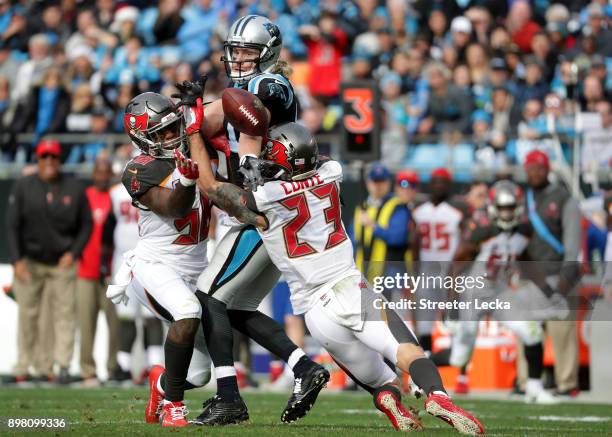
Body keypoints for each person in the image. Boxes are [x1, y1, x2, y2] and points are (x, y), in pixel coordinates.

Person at [187, 120, 485, 434]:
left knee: (382, 382)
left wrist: (195, 133)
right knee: (407, 353)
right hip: (349, 288)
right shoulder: (331, 173)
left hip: (315, 313)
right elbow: (314, 164)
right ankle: (438, 396)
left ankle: (390, 401)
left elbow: (211, 186)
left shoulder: (267, 196)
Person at [173, 16, 328, 426]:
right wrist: (188, 117)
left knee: (208, 297)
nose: (239, 59)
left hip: (265, 207)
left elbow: (238, 110)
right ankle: (303, 369)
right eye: (235, 51)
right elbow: (209, 117)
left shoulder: (266, 86)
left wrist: (197, 118)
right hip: (261, 207)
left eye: (248, 52)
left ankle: (228, 398)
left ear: (269, 54)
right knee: (235, 306)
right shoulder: (244, 89)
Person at [105, 92, 212, 427]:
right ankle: (174, 408)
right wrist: (187, 179)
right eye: (162, 132)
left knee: (200, 373)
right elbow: (174, 207)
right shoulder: (139, 169)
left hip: (193, 269)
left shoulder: (193, 151)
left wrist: (198, 110)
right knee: (188, 310)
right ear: (142, 137)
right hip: (154, 267)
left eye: (174, 127)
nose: (171, 135)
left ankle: (163, 386)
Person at [430, 180, 559, 404]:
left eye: (510, 208)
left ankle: (534, 389)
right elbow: (455, 267)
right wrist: (451, 303)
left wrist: (547, 290)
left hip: (500, 292)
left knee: (533, 333)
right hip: (473, 291)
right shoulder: (481, 231)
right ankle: (420, 365)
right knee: (458, 356)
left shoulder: (525, 230)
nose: (507, 213)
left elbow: (525, 259)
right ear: (492, 207)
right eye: (502, 208)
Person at [6, 139, 92, 384]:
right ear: (37, 159)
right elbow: (12, 225)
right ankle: (24, 365)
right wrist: (17, 260)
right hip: (30, 261)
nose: (49, 162)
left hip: (61, 263)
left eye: (53, 157)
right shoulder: (23, 186)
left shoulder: (73, 188)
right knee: (28, 314)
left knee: (64, 315)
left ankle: (61, 365)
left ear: (59, 160)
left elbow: (86, 225)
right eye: (44, 157)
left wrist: (74, 253)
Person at [523, 149, 582, 397]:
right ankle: (527, 382)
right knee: (527, 332)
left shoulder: (563, 197)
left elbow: (573, 240)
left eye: (539, 168)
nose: (534, 173)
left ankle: (567, 382)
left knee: (562, 332)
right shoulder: (521, 197)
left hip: (557, 271)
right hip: (529, 275)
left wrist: (566, 277)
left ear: (547, 169)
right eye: (530, 168)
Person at [102, 180, 164, 384]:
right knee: (126, 316)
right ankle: (124, 366)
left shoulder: (159, 187)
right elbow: (108, 227)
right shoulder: (116, 192)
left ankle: (153, 367)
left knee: (152, 315)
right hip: (124, 260)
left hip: (151, 258)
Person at [411, 168, 468, 351]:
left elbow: (467, 243)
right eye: (435, 181)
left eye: (443, 181)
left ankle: (458, 369)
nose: (439, 185)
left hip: (450, 272)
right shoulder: (419, 211)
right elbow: (413, 244)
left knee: (454, 320)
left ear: (449, 185)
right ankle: (426, 359)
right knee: (424, 321)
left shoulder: (459, 210)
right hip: (427, 271)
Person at [77, 156, 120, 386]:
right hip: (85, 270)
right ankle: (87, 369)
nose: (102, 176)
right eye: (99, 172)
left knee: (114, 324)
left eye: (106, 172)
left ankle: (113, 366)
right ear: (94, 174)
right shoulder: (84, 198)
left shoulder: (115, 197)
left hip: (110, 272)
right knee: (86, 323)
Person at [350, 163, 410, 283]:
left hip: (389, 275)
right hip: (363, 274)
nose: (378, 185)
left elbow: (398, 237)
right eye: (375, 181)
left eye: (382, 181)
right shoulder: (361, 208)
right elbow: (352, 241)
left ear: (388, 183)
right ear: (368, 183)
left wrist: (373, 226)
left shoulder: (397, 206)